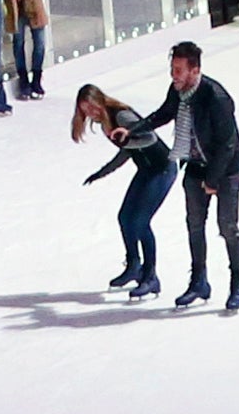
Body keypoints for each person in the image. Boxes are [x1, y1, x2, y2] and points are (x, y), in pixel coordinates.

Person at [133, 39, 239, 312]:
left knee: (227, 227)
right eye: (172, 69)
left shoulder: (217, 97)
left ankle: (238, 283)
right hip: (195, 165)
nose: (174, 75)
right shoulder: (179, 91)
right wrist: (136, 129)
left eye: (179, 70)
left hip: (226, 170)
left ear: (195, 70)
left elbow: (227, 144)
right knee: (194, 225)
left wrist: (213, 180)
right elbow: (164, 113)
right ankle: (199, 282)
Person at [67, 83, 177, 304]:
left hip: (162, 168)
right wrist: (102, 172)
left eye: (92, 106)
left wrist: (128, 139)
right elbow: (126, 151)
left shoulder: (122, 116)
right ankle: (134, 265)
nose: (91, 112)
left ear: (100, 99)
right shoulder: (106, 122)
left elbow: (149, 138)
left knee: (140, 222)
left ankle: (150, 276)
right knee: (125, 218)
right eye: (85, 110)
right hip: (146, 170)